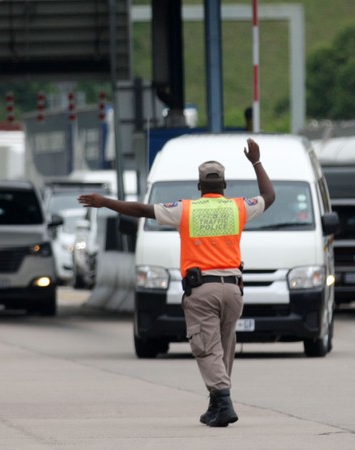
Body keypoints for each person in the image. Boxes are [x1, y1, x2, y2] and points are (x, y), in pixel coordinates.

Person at [78, 138, 275, 427]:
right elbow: (269, 196)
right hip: (233, 290)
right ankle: (215, 405)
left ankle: (223, 401)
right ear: (225, 186)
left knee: (207, 349)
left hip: (203, 289)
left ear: (199, 187)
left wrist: (106, 202)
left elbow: (141, 210)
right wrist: (256, 162)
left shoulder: (186, 209)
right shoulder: (238, 207)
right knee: (223, 346)